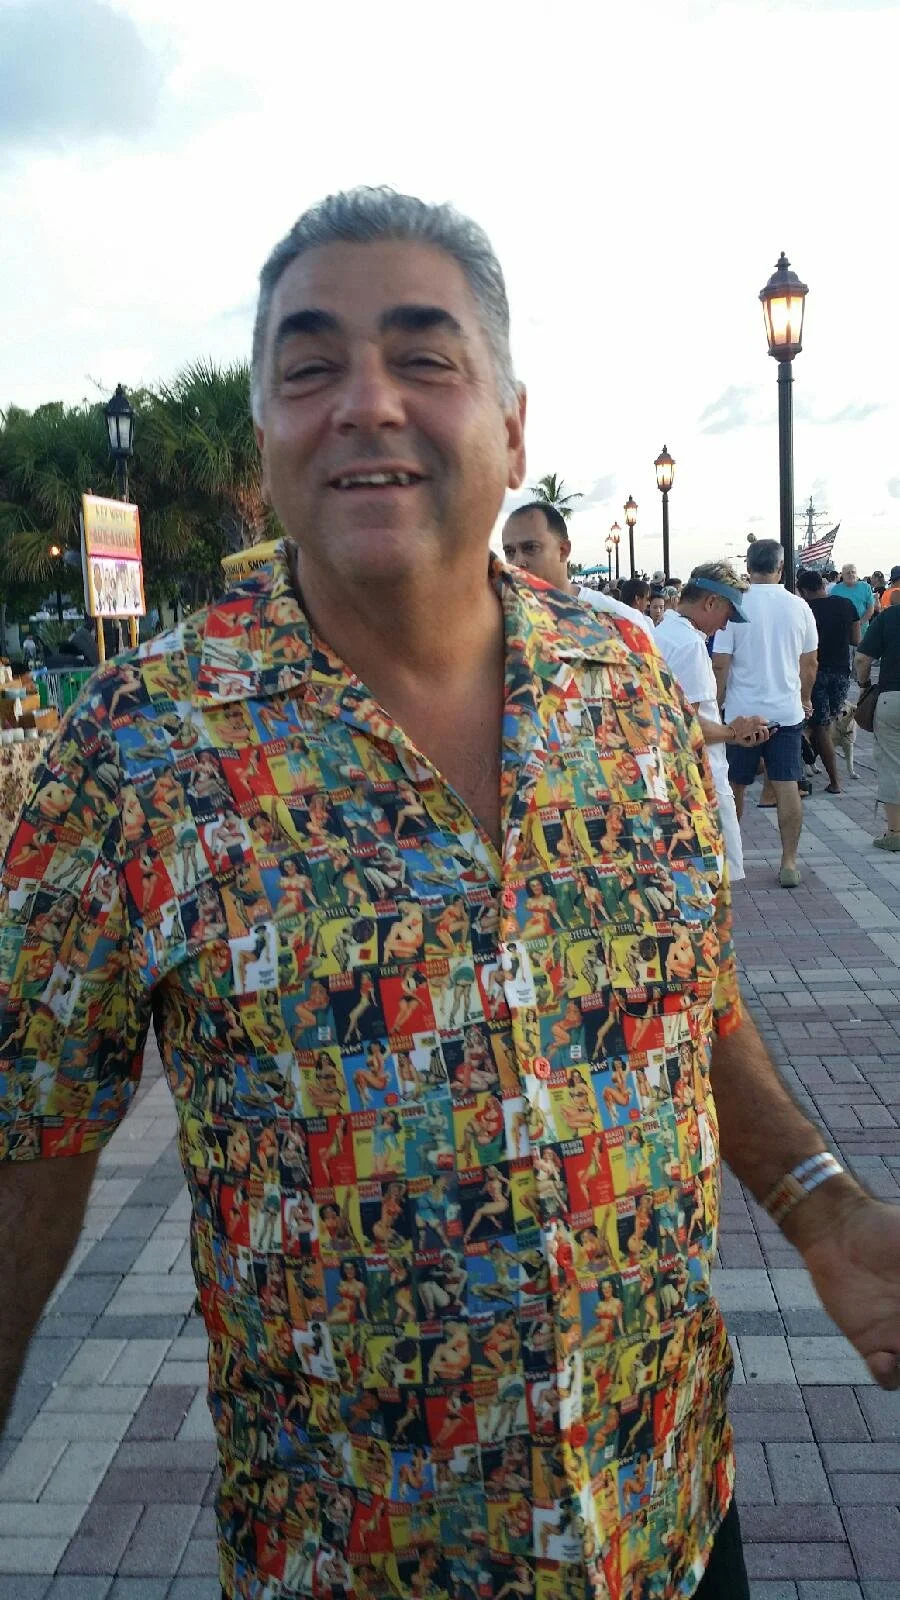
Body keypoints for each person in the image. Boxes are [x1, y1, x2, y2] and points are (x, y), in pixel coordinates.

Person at [1, 188, 899, 1600]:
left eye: (423, 357)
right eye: (311, 366)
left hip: (663, 1511)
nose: (366, 401)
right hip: (354, 1552)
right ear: (267, 435)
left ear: (514, 429)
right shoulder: (138, 748)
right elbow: (31, 1139)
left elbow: (685, 998)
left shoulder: (624, 690)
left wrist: (819, 1203)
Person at [713, 539, 818, 888]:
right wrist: (804, 698)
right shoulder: (799, 607)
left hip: (741, 715)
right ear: (781, 567)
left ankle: (729, 858)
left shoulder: (736, 606)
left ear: (748, 566)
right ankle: (789, 862)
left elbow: (721, 664)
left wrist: (717, 704)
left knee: (734, 786)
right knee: (787, 785)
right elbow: (810, 664)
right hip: (785, 712)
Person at [655, 561, 769, 883]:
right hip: (700, 780)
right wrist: (734, 732)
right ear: (710, 603)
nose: (725, 625)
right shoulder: (690, 645)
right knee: (715, 879)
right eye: (728, 614)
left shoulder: (662, 633)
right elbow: (686, 725)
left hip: (671, 777)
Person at [501, 501, 655, 641]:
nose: (518, 562)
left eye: (530, 548)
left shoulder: (625, 623)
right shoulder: (503, 621)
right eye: (510, 552)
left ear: (563, 550)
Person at [796, 569, 860, 795]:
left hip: (814, 670)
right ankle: (809, 750)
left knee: (819, 726)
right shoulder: (845, 604)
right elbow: (856, 639)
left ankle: (834, 781)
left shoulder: (803, 609)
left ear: (803, 591)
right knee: (825, 721)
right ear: (823, 585)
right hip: (841, 671)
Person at [856, 601, 900, 849]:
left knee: (893, 765)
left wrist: (863, 686)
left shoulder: (890, 616)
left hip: (893, 698)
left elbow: (862, 659)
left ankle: (895, 833)